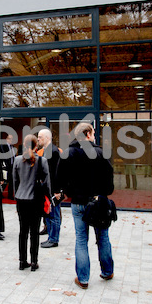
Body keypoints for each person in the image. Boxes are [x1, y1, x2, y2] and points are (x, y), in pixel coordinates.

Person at [56, 122, 115, 289]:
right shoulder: (100, 153)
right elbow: (109, 182)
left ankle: (83, 279)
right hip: (99, 202)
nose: (95, 136)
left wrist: (68, 190)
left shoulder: (69, 153)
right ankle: (107, 271)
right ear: (88, 134)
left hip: (78, 202)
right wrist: (103, 193)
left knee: (81, 240)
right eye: (94, 133)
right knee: (103, 237)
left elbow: (59, 178)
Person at [13, 134, 50, 271]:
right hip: (35, 199)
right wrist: (50, 199)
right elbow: (47, 184)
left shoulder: (17, 160)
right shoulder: (42, 161)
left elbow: (15, 182)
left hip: (21, 199)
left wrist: (17, 195)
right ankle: (34, 261)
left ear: (24, 145)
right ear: (36, 146)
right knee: (34, 231)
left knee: (23, 231)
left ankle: (22, 261)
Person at [37, 129, 62, 249]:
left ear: (47, 137)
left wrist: (57, 190)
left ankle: (54, 239)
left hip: (53, 189)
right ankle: (50, 237)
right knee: (49, 213)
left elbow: (57, 173)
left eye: (40, 137)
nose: (38, 139)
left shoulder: (54, 151)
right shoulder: (47, 151)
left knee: (54, 214)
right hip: (47, 188)